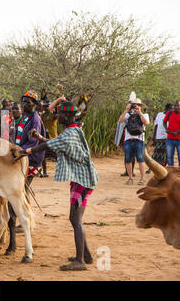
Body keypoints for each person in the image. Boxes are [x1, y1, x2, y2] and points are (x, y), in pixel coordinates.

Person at [21, 101, 99, 271]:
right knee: (76, 219)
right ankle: (86, 255)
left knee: (75, 219)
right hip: (83, 180)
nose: (57, 116)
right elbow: (57, 143)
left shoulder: (70, 133)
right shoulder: (72, 131)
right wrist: (40, 138)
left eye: (60, 114)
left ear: (68, 115)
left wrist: (25, 151)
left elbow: (50, 145)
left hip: (82, 181)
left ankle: (80, 261)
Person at [14, 91, 45, 184]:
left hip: (31, 157)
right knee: (20, 187)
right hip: (22, 154)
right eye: (23, 102)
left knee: (24, 187)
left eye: (28, 102)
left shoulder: (35, 119)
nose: (25, 104)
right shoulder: (24, 116)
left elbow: (33, 142)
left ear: (34, 104)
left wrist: (17, 150)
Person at [118, 98, 150, 185]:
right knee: (128, 159)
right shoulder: (128, 115)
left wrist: (139, 113)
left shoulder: (144, 115)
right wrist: (126, 110)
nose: (136, 107)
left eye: (138, 105)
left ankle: (142, 179)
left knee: (140, 159)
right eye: (134, 105)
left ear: (141, 106)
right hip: (128, 140)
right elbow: (120, 120)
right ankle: (130, 178)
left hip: (139, 140)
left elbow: (146, 123)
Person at [150, 103, 172, 168]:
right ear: (165, 109)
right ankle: (152, 167)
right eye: (169, 109)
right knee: (156, 153)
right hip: (159, 137)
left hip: (167, 138)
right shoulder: (159, 115)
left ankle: (162, 167)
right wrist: (154, 136)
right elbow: (156, 126)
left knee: (165, 154)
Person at [164, 100, 180, 166]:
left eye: (178, 106)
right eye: (175, 105)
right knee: (169, 157)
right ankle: (171, 171)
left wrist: (178, 131)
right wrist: (166, 129)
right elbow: (164, 121)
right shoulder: (169, 113)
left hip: (179, 139)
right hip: (170, 139)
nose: (176, 107)